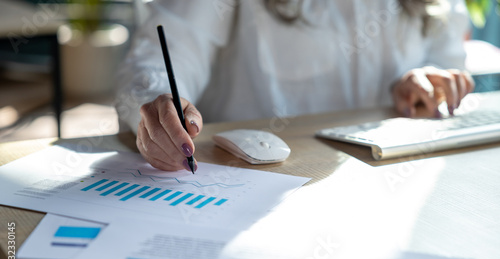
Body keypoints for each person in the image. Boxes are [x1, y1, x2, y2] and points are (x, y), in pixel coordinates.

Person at [115, 0, 475, 172]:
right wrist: (158, 104)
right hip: (247, 181)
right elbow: (162, 55)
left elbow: (447, 59)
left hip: (388, 178)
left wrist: (426, 80)